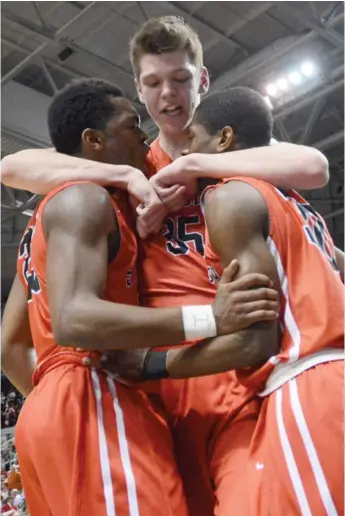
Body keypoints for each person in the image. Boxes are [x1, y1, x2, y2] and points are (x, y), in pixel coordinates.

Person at [0, 16, 330, 516]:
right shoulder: (130, 160)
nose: (168, 93)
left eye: (180, 78)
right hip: (154, 390)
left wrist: (194, 167)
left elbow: (316, 169)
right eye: (154, 83)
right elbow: (11, 167)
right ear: (139, 88)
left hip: (238, 373)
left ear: (203, 80)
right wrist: (131, 178)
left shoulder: (231, 150)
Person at [109, 87, 344, 516]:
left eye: (194, 139)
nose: (186, 151)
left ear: (223, 140)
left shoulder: (229, 196)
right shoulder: (299, 203)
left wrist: (150, 363)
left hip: (309, 383)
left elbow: (256, 341)